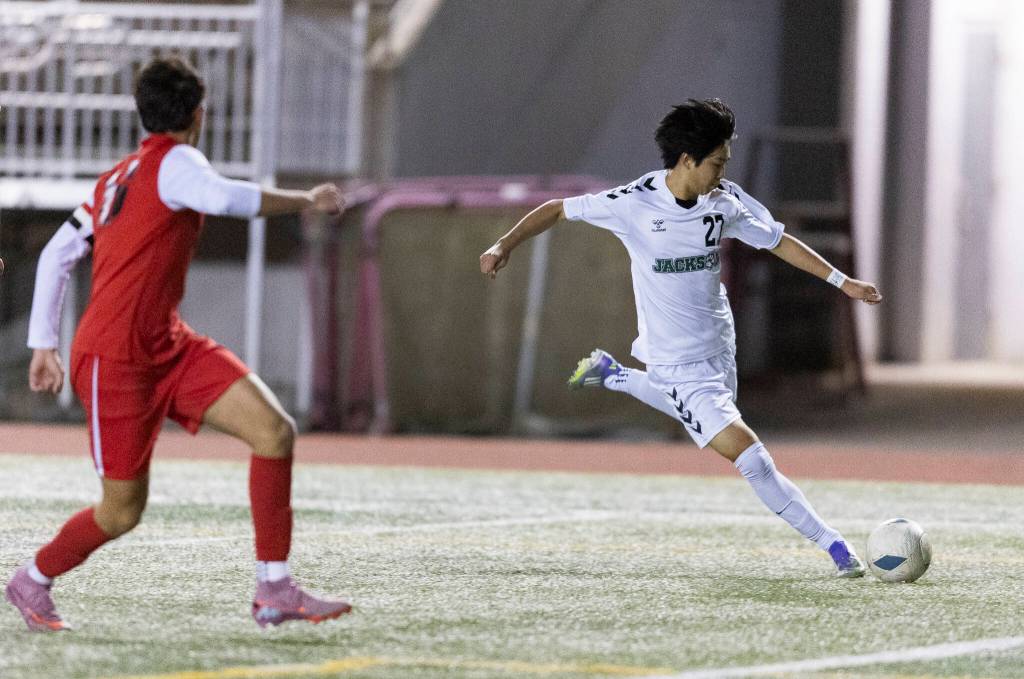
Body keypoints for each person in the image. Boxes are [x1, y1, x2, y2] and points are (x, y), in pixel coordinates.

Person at [5, 57, 352, 632]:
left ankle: (274, 589)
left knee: (273, 432)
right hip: (116, 359)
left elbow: (56, 253)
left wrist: (44, 342)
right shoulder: (177, 162)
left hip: (166, 344)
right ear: (198, 114)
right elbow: (227, 200)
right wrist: (306, 200)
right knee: (121, 512)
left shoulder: (119, 176)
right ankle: (32, 580)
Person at [480, 99, 882, 578]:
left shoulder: (724, 201)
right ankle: (835, 546)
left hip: (719, 346)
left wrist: (845, 283)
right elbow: (555, 209)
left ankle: (614, 375)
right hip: (675, 363)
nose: (723, 170)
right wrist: (503, 244)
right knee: (749, 455)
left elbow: (779, 241)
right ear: (687, 159)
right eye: (717, 161)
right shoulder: (632, 203)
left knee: (704, 417)